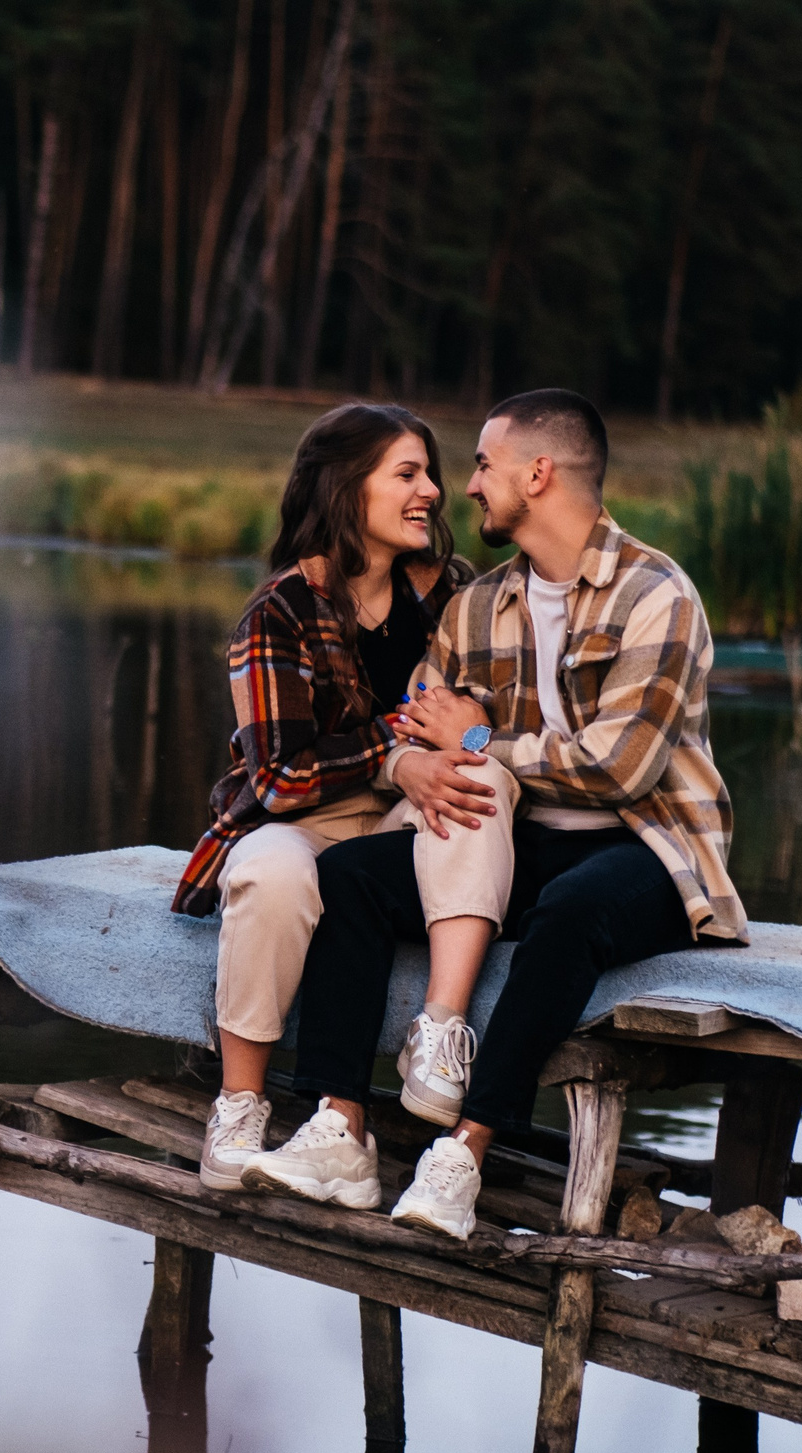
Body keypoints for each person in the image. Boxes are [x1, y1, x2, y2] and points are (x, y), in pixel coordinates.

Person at [262, 389, 746, 1234]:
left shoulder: (656, 595)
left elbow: (619, 771)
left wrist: (481, 738)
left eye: (484, 465)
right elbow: (422, 728)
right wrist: (435, 752)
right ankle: (341, 1126)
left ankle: (465, 1153)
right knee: (350, 876)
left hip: (651, 851)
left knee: (572, 909)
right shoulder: (478, 604)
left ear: (539, 473)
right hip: (522, 841)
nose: (468, 486)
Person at [170, 402, 516, 1205]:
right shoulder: (281, 611)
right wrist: (399, 751)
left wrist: (465, 738)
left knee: (486, 782)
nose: (433, 491)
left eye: (431, 474)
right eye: (408, 474)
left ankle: (439, 1037)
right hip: (300, 820)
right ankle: (240, 1107)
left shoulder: (453, 593)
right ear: (346, 487)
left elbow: (484, 723)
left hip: (403, 822)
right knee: (271, 876)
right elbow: (279, 779)